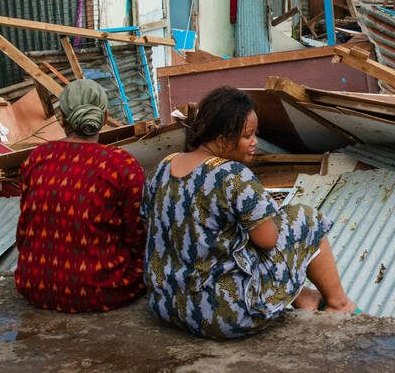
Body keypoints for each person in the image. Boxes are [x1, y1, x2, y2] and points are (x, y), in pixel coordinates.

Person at [142, 86, 356, 339]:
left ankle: (304, 297)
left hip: (169, 306)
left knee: (235, 241)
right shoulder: (232, 175)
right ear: (222, 140)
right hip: (222, 316)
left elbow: (152, 229)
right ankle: (339, 304)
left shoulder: (163, 167)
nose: (255, 142)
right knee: (305, 219)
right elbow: (268, 240)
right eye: (248, 136)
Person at [14, 79, 146, 313]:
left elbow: (24, 226)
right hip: (100, 291)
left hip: (33, 285)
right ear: (105, 117)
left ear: (62, 118)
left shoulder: (37, 156)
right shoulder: (122, 164)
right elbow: (136, 235)